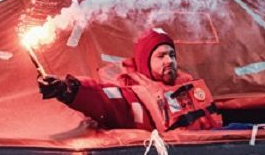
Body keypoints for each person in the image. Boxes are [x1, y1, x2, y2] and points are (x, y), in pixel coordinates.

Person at [38, 29, 223, 131]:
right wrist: (68, 89)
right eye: (161, 56)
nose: (170, 61)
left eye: (172, 55)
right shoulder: (133, 95)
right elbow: (103, 98)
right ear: (145, 63)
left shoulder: (186, 83)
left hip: (211, 144)